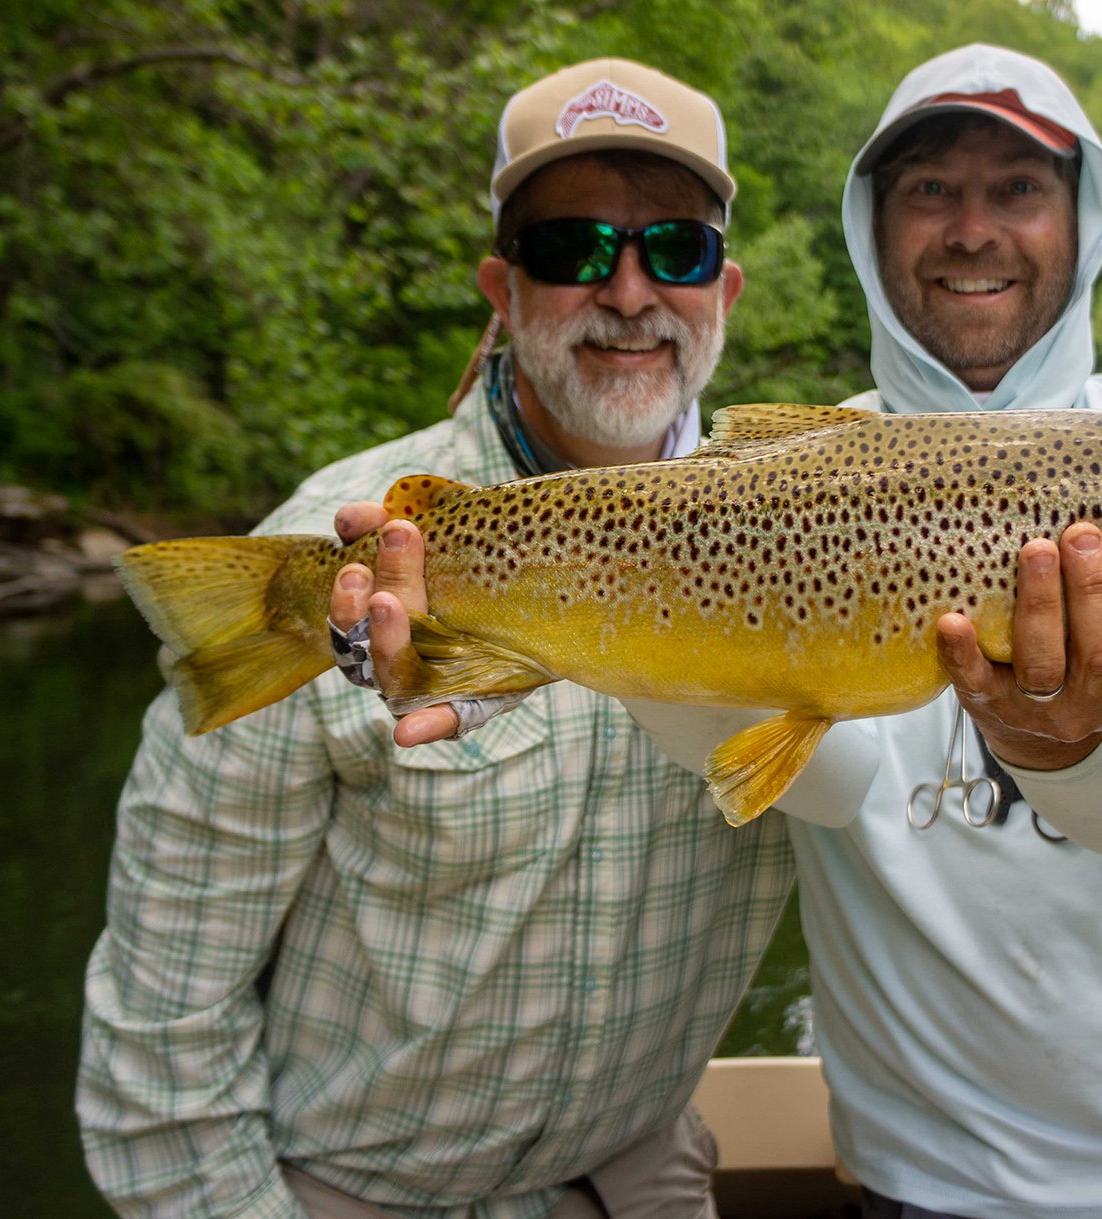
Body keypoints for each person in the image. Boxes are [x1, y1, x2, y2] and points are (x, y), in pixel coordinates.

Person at [332, 44, 1102, 1219]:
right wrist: (546, 638)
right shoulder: (776, 477)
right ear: (871, 225)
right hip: (924, 1187)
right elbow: (832, 781)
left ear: (1085, 220)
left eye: (1016, 188)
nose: (972, 229)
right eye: (928, 191)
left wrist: (1060, 742)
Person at [75, 59, 796, 1219]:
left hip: (640, 1179)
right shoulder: (330, 551)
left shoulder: (826, 548)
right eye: (569, 249)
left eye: (676, 249)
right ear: (501, 290)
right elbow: (162, 1013)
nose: (627, 291)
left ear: (725, 289)